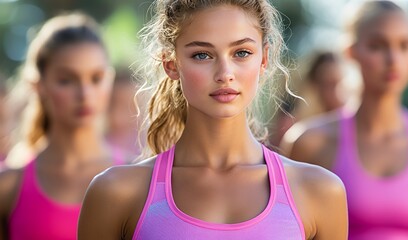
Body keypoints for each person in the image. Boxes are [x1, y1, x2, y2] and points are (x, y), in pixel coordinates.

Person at [78, 1, 348, 239]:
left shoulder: (320, 191)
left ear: (264, 58)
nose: (225, 73)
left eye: (241, 52)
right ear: (171, 64)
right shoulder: (116, 193)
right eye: (202, 55)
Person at [280, 1, 408, 239]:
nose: (393, 59)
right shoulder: (311, 142)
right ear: (351, 51)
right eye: (377, 45)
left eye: (404, 45)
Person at [0, 12, 126, 239]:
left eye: (96, 78)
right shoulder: (8, 187)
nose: (85, 94)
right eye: (66, 80)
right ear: (38, 85)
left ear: (109, 79)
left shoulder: (138, 177)